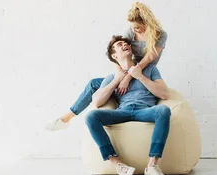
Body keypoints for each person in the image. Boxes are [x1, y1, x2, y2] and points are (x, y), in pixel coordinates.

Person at [45, 2, 168, 131]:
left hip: (144, 73)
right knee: (93, 84)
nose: (134, 30)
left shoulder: (160, 35)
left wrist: (127, 78)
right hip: (127, 71)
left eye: (137, 27)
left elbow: (147, 60)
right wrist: (119, 76)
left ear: (147, 22)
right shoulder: (131, 31)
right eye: (132, 27)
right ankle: (66, 118)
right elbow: (117, 55)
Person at [85, 35, 171, 175]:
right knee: (91, 116)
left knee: (164, 111)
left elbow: (163, 93)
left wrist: (140, 76)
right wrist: (117, 80)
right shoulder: (112, 76)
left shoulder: (150, 70)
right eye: (119, 44)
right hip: (122, 112)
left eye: (126, 43)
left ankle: (151, 166)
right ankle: (118, 164)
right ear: (114, 55)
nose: (125, 44)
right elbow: (97, 101)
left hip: (145, 110)